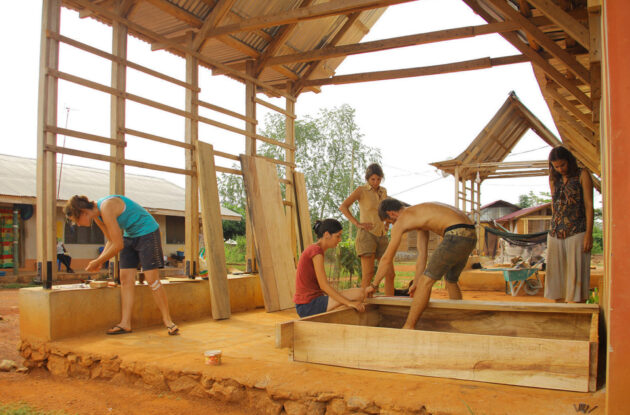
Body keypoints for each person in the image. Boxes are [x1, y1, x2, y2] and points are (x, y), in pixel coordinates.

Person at [63, 195, 179, 335]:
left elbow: (118, 245)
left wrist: (97, 262)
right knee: (125, 279)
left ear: (83, 211)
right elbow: (111, 241)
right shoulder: (97, 216)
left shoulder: (106, 207)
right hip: (130, 235)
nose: (78, 225)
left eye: (76, 221)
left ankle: (168, 321)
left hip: (147, 232)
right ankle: (125, 324)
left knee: (152, 279)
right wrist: (99, 259)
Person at [366, 198, 476, 329]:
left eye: (390, 223)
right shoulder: (419, 215)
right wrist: (416, 282)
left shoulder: (401, 220)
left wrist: (374, 285)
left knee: (426, 282)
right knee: (450, 280)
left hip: (455, 234)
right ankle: (459, 320)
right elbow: (422, 255)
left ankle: (408, 326)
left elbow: (387, 258)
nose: (392, 226)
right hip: (471, 234)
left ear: (391, 214)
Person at [545, 146, 594, 303]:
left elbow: (588, 205)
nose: (560, 169)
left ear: (569, 161)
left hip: (577, 231)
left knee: (577, 275)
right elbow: (554, 204)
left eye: (563, 165)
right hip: (555, 232)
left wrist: (588, 234)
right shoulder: (554, 178)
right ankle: (560, 311)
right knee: (556, 276)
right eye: (556, 166)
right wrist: (555, 224)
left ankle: (577, 311)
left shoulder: (582, 174)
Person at [339, 163, 395, 295]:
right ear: (367, 179)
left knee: (390, 273)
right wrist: (358, 223)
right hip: (367, 235)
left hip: (382, 235)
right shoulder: (361, 190)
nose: (376, 182)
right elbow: (343, 207)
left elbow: (385, 210)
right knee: (368, 274)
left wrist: (387, 222)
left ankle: (390, 304)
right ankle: (363, 303)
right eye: (373, 179)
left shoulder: (384, 191)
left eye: (378, 179)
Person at [293, 219, 366, 318]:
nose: (340, 239)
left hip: (310, 303)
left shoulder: (316, 249)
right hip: (308, 306)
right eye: (338, 236)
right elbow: (324, 286)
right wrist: (349, 302)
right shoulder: (316, 251)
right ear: (327, 234)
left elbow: (320, 284)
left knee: (359, 294)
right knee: (359, 294)